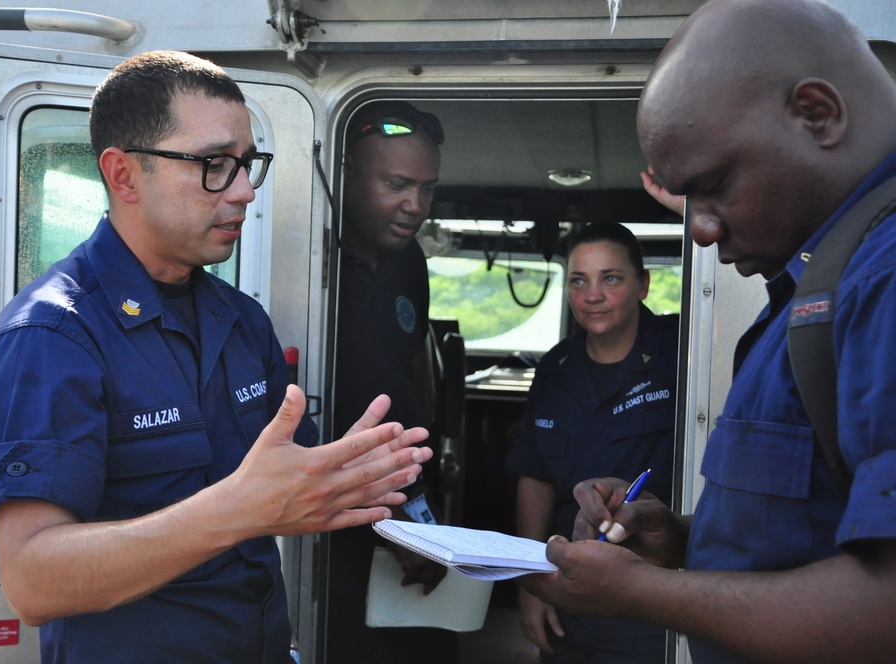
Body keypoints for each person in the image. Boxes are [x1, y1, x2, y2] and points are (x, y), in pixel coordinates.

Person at [0, 50, 433, 664]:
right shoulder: (52, 336)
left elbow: (298, 482)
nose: (243, 191)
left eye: (246, 165)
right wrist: (237, 510)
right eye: (213, 165)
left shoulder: (241, 322)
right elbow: (32, 581)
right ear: (124, 175)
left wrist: (380, 491)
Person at [517, 1, 896, 662]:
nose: (701, 229)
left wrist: (643, 594)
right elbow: (810, 532)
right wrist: (680, 540)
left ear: (818, 114)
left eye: (715, 185)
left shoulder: (882, 280)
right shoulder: (817, 286)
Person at [508, 222, 677, 663]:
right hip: (572, 586)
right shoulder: (554, 369)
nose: (592, 295)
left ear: (643, 284)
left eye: (611, 278)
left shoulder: (683, 354)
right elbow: (536, 478)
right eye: (578, 280)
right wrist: (532, 583)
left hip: (656, 588)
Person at [327, 100, 458, 664]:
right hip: (331, 507)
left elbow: (407, 381)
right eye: (398, 184)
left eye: (427, 189)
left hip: (402, 490)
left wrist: (418, 510)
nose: (415, 206)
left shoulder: (412, 265)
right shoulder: (315, 258)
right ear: (349, 173)